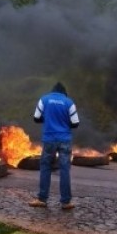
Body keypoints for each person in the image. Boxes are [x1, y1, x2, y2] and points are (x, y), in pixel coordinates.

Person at [29, 81, 80, 210]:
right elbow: (75, 123)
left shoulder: (44, 99)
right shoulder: (69, 102)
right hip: (64, 139)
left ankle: (42, 199)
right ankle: (66, 202)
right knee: (64, 169)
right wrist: (63, 122)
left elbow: (36, 118)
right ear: (64, 92)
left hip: (49, 139)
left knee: (45, 167)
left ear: (53, 91)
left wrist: (47, 119)